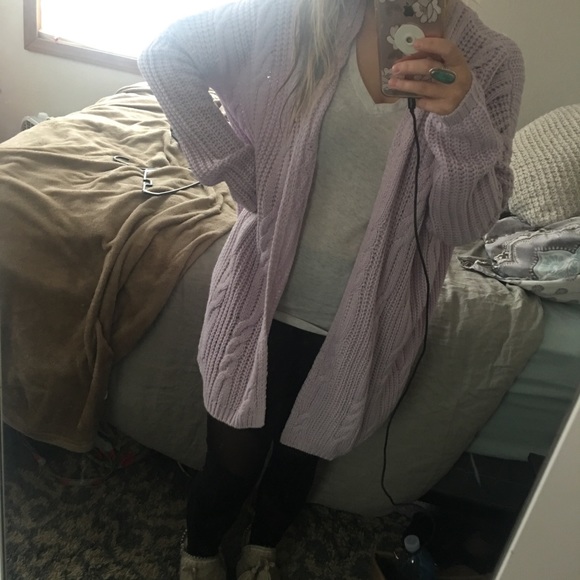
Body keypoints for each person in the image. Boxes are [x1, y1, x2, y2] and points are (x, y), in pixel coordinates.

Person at [138, 0, 524, 578]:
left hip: (369, 316)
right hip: (259, 293)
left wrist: (460, 118)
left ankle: (263, 546)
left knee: (302, 452)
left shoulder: (493, 61)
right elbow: (166, 52)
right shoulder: (298, 14)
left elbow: (462, 225)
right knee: (232, 457)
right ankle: (200, 550)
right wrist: (237, 168)